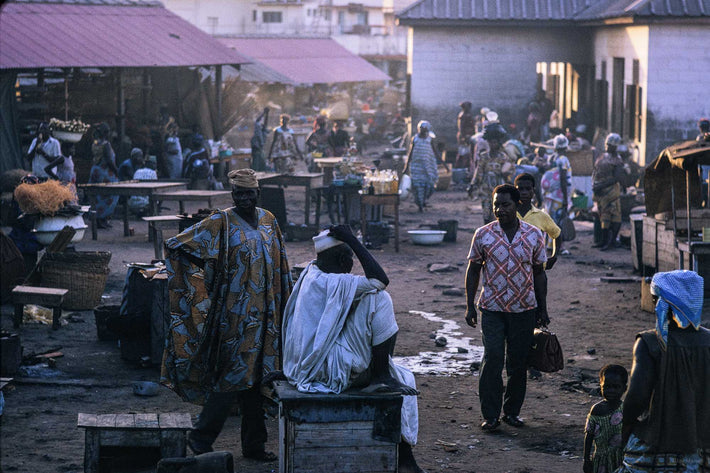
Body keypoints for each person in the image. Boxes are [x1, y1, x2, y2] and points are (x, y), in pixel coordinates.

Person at [161, 168, 292, 461]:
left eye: (250, 193)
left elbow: (281, 263)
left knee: (258, 378)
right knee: (232, 378)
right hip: (234, 315)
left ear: (258, 193)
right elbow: (178, 245)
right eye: (239, 193)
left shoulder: (269, 220)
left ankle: (254, 446)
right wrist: (208, 279)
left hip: (266, 316)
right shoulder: (221, 221)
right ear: (232, 194)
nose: (245, 198)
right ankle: (201, 437)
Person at [281, 225, 426, 473]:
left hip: (307, 366)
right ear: (342, 259)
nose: (352, 265)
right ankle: (380, 375)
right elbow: (380, 280)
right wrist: (354, 241)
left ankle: (403, 455)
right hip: (325, 370)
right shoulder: (328, 281)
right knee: (379, 298)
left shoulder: (310, 274)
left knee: (401, 373)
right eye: (350, 259)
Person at [465, 184, 547, 431]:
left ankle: (512, 412)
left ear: (516, 205)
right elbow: (474, 269)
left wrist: (542, 308)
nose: (500, 210)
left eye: (505, 205)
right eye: (496, 206)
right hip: (492, 308)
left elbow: (539, 273)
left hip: (524, 309)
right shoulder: (483, 234)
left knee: (518, 362)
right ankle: (490, 415)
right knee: (492, 359)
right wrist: (470, 305)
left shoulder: (534, 235)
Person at [617, 270, 710, 472]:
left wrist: (626, 428)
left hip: (657, 442)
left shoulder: (649, 343)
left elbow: (636, 396)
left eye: (655, 298)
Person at [583, 364, 628, 473]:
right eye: (607, 387)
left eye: (616, 387)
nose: (611, 391)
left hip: (622, 459)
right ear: (601, 386)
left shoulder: (626, 409)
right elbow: (589, 435)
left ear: (624, 388)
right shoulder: (596, 410)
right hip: (601, 461)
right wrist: (586, 459)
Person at [469, 123, 517, 224]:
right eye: (490, 142)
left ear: (498, 143)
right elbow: (479, 172)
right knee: (486, 213)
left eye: (495, 142)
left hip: (499, 189)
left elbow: (510, 172)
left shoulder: (503, 157)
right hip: (485, 189)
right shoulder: (484, 157)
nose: (492, 145)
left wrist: (506, 177)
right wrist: (473, 185)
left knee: (498, 212)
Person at [592, 133, 625, 251]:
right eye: (607, 144)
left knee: (614, 216)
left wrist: (601, 185)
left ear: (615, 146)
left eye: (610, 145)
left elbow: (616, 178)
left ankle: (611, 242)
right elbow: (596, 171)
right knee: (602, 216)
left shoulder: (617, 159)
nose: (608, 146)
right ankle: (603, 241)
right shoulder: (603, 156)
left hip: (610, 192)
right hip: (600, 191)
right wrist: (595, 185)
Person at [541, 134, 573, 255]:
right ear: (565, 147)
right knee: (559, 221)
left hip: (550, 195)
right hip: (559, 195)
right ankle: (559, 247)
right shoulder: (563, 159)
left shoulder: (551, 158)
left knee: (551, 219)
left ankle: (549, 245)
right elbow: (563, 180)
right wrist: (565, 198)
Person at [88, 123, 119, 229]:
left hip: (95, 172)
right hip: (105, 173)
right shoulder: (106, 144)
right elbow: (110, 161)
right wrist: (117, 171)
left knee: (97, 197)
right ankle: (102, 219)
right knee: (111, 195)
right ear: (106, 133)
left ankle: (99, 219)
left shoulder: (95, 143)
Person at [404, 120, 439, 212]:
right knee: (418, 186)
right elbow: (410, 153)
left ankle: (423, 201)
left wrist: (443, 164)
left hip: (428, 167)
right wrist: (406, 166)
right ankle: (420, 205)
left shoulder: (430, 140)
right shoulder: (415, 139)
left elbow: (435, 152)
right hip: (417, 166)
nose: (423, 131)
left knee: (429, 186)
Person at [456, 101, 476, 169]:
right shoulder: (463, 115)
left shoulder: (467, 114)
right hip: (465, 136)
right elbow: (461, 127)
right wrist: (464, 136)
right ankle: (463, 168)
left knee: (469, 152)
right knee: (464, 152)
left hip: (469, 135)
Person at [250, 107, 270, 172]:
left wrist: (267, 114)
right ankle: (255, 171)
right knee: (256, 161)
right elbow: (257, 121)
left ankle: (260, 171)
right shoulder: (258, 128)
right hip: (256, 146)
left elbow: (265, 124)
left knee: (262, 161)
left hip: (260, 147)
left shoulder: (264, 131)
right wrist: (264, 113)